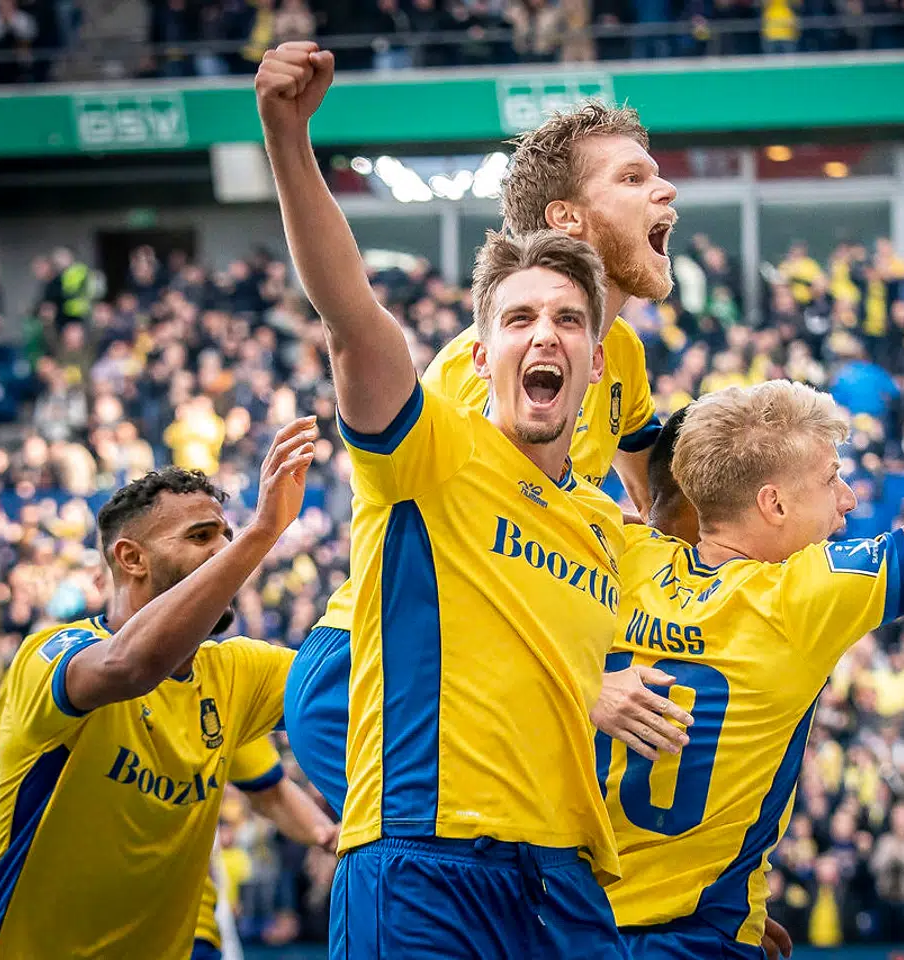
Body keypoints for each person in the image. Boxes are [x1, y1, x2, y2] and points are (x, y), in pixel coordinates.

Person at [259, 42, 636, 957]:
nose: (543, 335)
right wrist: (287, 139)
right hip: (423, 867)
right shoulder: (429, 451)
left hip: (569, 889)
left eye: (567, 321)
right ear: (478, 358)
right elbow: (351, 316)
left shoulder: (606, 530)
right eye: (517, 319)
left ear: (595, 362)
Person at [602, 287, 904, 958]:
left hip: (570, 924)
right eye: (831, 477)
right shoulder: (798, 598)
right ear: (774, 503)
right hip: (695, 937)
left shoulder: (613, 555)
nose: (848, 498)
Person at [0, 421, 317, 959]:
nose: (223, 551)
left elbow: (357, 687)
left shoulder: (239, 671)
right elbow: (131, 665)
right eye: (201, 537)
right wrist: (262, 533)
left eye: (227, 536)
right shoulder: (50, 656)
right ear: (131, 558)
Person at [0, 686, 337, 960]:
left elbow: (270, 792)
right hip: (52, 933)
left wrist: (328, 834)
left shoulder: (219, 684)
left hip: (185, 934)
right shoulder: (56, 662)